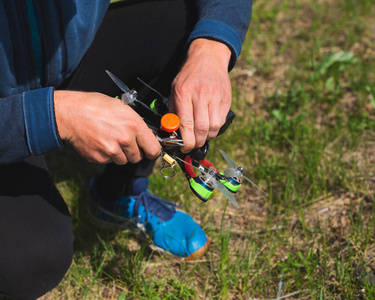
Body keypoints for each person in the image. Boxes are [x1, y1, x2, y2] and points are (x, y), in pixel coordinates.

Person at [0, 0, 252, 299]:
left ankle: (118, 194)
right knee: (31, 259)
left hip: (70, 61)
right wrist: (52, 118)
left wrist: (211, 49)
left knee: (183, 25)